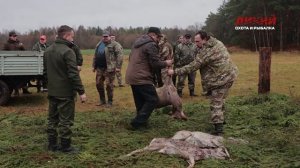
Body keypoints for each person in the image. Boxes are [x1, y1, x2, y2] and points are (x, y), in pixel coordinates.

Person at [168, 30, 238, 135]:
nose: (196, 44)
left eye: (198, 41)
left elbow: (194, 66)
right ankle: (221, 121)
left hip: (221, 79)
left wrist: (175, 71)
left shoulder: (208, 52)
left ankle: (219, 130)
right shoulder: (217, 42)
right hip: (230, 76)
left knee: (216, 103)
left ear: (205, 39)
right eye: (195, 41)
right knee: (220, 100)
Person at [43, 25, 87, 153]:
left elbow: (45, 73)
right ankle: (66, 147)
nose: (73, 39)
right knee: (65, 121)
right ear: (66, 36)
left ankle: (52, 145)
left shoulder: (48, 50)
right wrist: (82, 92)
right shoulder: (68, 51)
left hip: (52, 92)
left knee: (52, 119)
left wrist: (50, 86)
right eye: (72, 36)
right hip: (65, 93)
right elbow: (73, 74)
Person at [125, 27, 173, 130]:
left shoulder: (137, 43)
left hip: (132, 76)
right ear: (154, 35)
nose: (159, 39)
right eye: (158, 37)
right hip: (142, 77)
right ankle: (137, 122)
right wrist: (166, 63)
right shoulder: (150, 44)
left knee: (140, 101)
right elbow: (155, 64)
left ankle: (141, 124)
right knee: (153, 100)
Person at [93, 31, 123, 107]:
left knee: (109, 85)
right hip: (99, 68)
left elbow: (120, 56)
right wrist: (94, 66)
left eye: (106, 36)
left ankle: (110, 102)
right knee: (98, 84)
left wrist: (118, 67)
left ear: (110, 37)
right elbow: (95, 55)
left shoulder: (115, 44)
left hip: (109, 69)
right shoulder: (99, 44)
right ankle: (102, 100)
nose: (105, 38)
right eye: (104, 36)